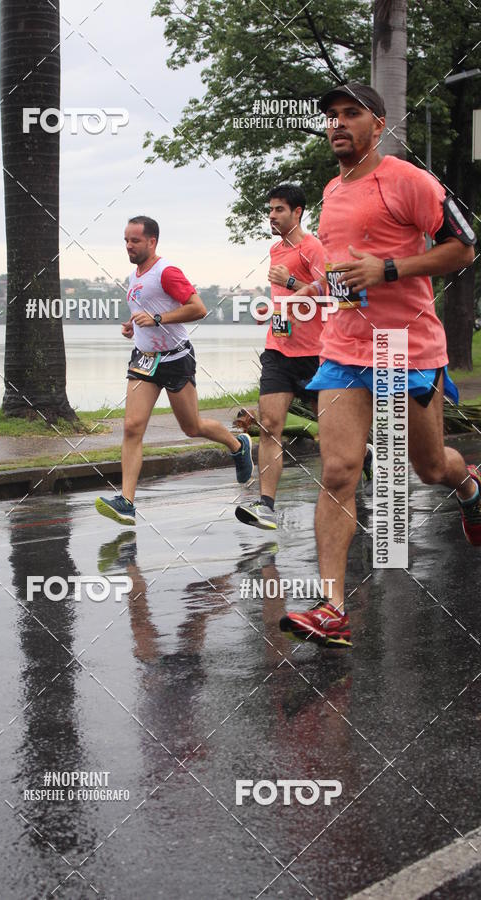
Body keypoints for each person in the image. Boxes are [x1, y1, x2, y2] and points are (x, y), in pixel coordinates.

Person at [279, 82, 479, 649]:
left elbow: (464, 247)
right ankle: (332, 607)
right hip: (344, 350)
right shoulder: (331, 191)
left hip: (406, 347)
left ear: (379, 124)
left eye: (351, 114)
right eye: (331, 116)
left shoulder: (409, 180)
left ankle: (468, 484)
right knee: (339, 470)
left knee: (430, 465)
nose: (338, 123)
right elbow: (342, 270)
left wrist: (389, 270)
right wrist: (312, 288)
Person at [95, 216, 254, 526]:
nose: (129, 245)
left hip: (175, 358)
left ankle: (238, 445)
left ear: (152, 242)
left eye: (135, 241)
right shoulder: (134, 276)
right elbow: (145, 311)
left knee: (192, 427)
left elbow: (198, 308)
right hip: (144, 359)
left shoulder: (167, 272)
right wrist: (134, 325)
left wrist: (157, 318)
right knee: (131, 427)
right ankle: (126, 501)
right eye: (126, 240)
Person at [235, 184, 326, 530]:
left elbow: (329, 291)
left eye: (279, 210)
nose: (271, 216)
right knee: (270, 427)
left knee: (330, 434)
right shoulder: (275, 249)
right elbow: (285, 301)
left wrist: (289, 283)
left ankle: (363, 455)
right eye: (270, 210)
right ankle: (267, 507)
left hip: (315, 355)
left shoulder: (313, 247)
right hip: (278, 351)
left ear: (297, 211)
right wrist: (269, 309)